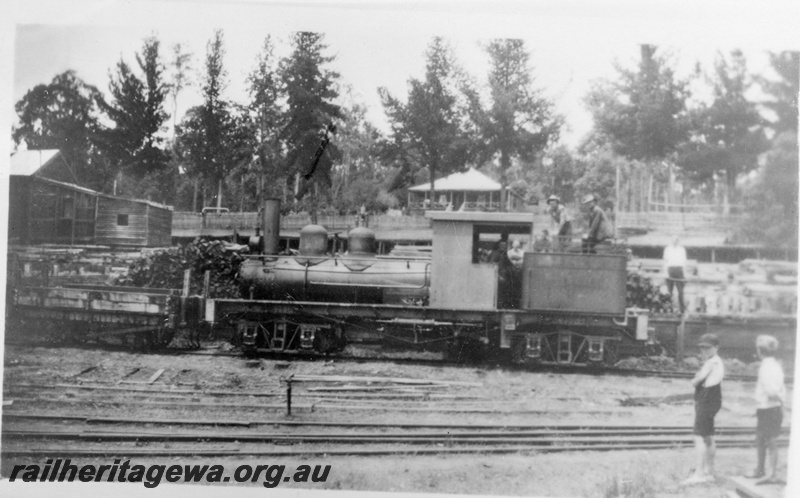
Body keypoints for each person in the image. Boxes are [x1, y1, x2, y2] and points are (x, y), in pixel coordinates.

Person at [683, 333, 724, 485]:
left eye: (707, 348)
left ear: (716, 347)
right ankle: (709, 472)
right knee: (708, 436)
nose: (704, 351)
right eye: (702, 348)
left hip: (707, 399)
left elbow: (696, 381)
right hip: (712, 398)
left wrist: (695, 379)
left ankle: (699, 474)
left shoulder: (711, 363)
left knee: (699, 436)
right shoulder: (716, 361)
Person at [746, 335, 786, 484]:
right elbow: (781, 389)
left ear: (759, 351)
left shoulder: (766, 367)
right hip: (769, 408)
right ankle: (761, 470)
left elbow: (771, 391)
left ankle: (771, 474)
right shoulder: (775, 365)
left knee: (769, 441)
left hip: (769, 408)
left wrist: (777, 401)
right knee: (762, 439)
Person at [663, 236, 688, 314]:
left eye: (677, 240)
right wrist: (666, 273)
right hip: (670, 270)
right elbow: (665, 262)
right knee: (669, 292)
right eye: (674, 240)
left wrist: (685, 274)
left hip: (679, 271)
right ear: (671, 240)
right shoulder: (667, 249)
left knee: (680, 292)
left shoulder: (681, 249)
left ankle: (682, 309)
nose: (675, 241)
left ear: (678, 241)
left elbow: (684, 263)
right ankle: (668, 308)